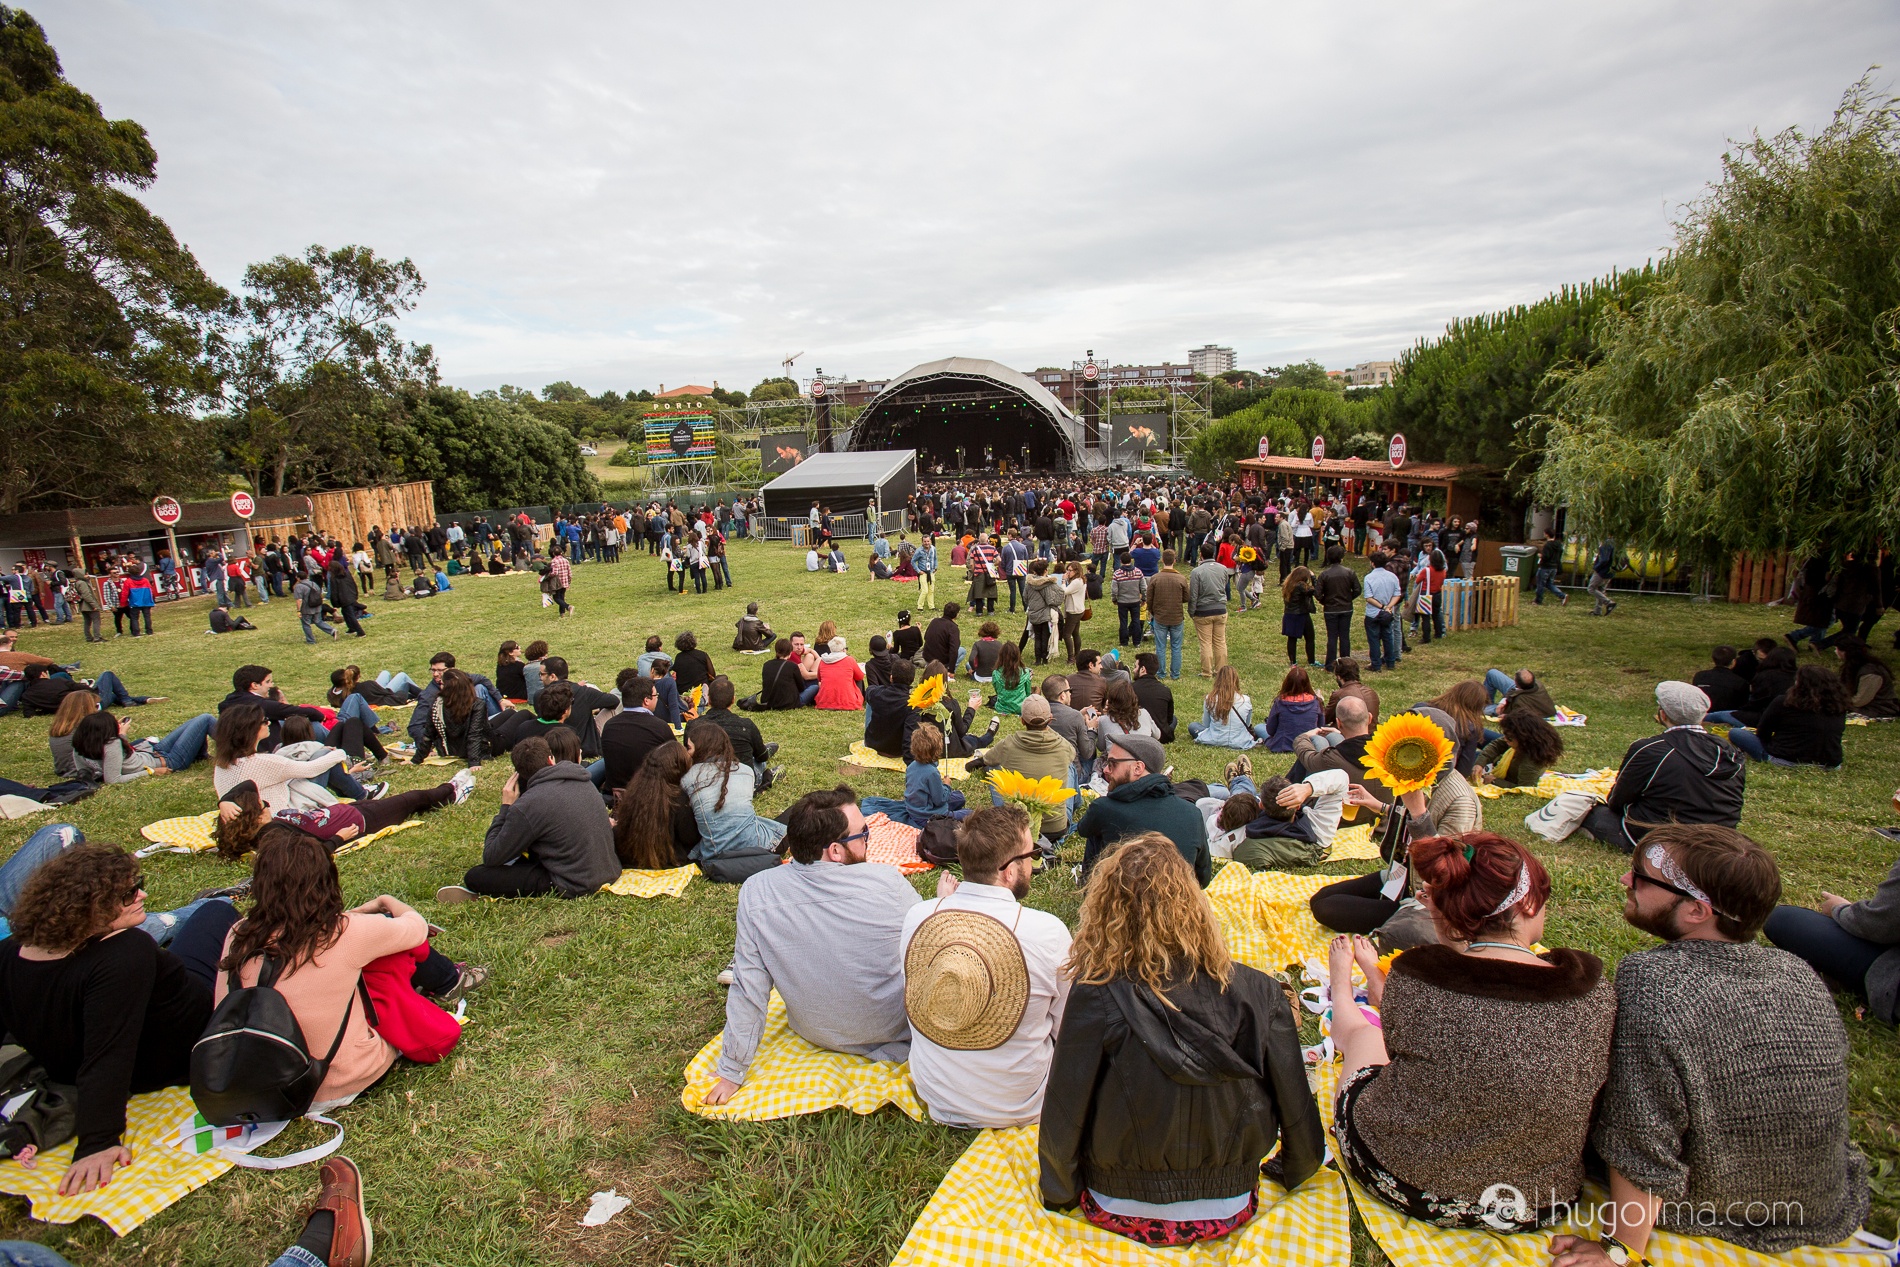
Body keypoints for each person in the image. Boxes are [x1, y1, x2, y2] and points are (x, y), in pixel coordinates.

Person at [1557, 824, 1870, 1262]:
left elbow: (1640, 1129)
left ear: (1696, 911)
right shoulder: (1798, 971)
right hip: (1820, 1202)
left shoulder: (1653, 981)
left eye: (1641, 877)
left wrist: (1621, 1249)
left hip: (1709, 1206)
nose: (1626, 881)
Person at [1039, 831, 1323, 1245]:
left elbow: (1066, 1104)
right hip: (1230, 1202)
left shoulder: (1096, 994)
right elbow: (1295, 1099)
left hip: (1117, 1202)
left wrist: (1059, 1193)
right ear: (1195, 905)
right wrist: (1298, 1168)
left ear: (1107, 911)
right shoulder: (1261, 992)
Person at [1330, 832, 1615, 1233]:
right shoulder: (1593, 991)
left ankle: (1340, 986)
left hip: (1402, 1177)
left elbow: (1398, 1048)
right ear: (1530, 903)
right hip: (1535, 1201)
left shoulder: (1417, 978)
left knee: (1363, 1037)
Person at [0, 843, 239, 1196]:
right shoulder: (123, 955)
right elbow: (108, 1052)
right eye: (129, 893)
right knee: (217, 912)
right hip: (179, 1044)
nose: (142, 894)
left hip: (76, 1063)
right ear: (93, 908)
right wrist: (97, 1142)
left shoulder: (9, 953)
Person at [219, 830, 475, 1107]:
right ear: (326, 880)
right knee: (386, 959)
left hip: (251, 1085)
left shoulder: (238, 932)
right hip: (330, 1083)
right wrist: (385, 902)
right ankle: (448, 982)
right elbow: (416, 927)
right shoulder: (343, 933)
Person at [701, 788, 921, 1105]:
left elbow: (749, 987)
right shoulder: (886, 883)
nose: (868, 839)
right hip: (892, 1028)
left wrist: (731, 1070)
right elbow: (932, 948)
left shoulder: (757, 891)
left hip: (814, 1029)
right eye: (864, 833)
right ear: (834, 850)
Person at [901, 805, 1070, 1128]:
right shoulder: (1046, 932)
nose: (1033, 864)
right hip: (1022, 1103)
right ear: (1008, 872)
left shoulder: (917, 917)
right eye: (1031, 855)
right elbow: (1070, 1027)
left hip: (936, 1094)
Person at [438, 736, 620, 901]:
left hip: (575, 882)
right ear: (551, 759)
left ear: (518, 774)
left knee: (476, 876)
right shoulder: (583, 780)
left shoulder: (529, 804)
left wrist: (505, 808)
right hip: (610, 869)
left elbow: (492, 856)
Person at [1582, 683, 1745, 852]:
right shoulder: (1729, 751)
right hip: (1721, 840)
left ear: (1663, 714)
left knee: (1589, 811)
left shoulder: (1651, 749)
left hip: (1661, 838)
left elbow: (1617, 801)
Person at [214, 770, 473, 861]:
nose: (268, 805)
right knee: (411, 799)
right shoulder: (274, 836)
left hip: (347, 810)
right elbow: (308, 855)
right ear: (255, 817)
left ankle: (448, 793)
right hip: (358, 822)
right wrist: (338, 839)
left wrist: (225, 801)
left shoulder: (264, 828)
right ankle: (452, 790)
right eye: (264, 804)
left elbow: (248, 784)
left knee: (407, 802)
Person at [1074, 733, 1210, 886]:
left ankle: (1089, 887)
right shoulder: (1192, 812)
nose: (1105, 770)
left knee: (1096, 829)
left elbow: (1083, 829)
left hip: (1115, 904)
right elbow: (1203, 879)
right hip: (1176, 905)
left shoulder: (1104, 808)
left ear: (1138, 768)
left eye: (1112, 763)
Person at [212, 704, 379, 812]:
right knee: (326, 756)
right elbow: (310, 769)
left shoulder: (222, 764)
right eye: (265, 721)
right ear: (251, 730)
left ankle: (358, 792)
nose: (269, 723)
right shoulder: (263, 762)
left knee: (324, 756)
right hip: (285, 809)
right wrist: (340, 754)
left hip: (257, 808)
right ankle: (360, 794)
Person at [966, 695, 1077, 840]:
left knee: (993, 769)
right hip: (1056, 828)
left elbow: (987, 760)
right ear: (1050, 719)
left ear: (1022, 720)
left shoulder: (1008, 744)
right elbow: (1072, 755)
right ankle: (1077, 801)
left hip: (1017, 826)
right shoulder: (1063, 746)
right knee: (1071, 768)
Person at [679, 721, 787, 868]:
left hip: (713, 856)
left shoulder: (686, 778)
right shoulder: (746, 771)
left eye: (689, 748)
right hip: (760, 848)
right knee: (804, 808)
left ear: (701, 748)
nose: (686, 752)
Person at [1722, 663, 1847, 768]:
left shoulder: (1784, 701)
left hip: (1786, 759)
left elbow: (1763, 731)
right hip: (1830, 764)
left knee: (1736, 733)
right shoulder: (1838, 706)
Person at [610, 745, 701, 869]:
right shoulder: (678, 798)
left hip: (631, 857)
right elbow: (689, 837)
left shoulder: (634, 790)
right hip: (667, 860)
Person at [861, 722, 968, 828]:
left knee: (959, 797)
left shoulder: (912, 766)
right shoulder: (932, 773)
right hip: (928, 816)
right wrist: (947, 785)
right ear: (937, 749)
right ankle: (951, 816)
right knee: (968, 813)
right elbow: (939, 800)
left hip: (914, 809)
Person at [69, 708, 218, 784]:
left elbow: (84, 771)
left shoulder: (79, 746)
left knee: (197, 722)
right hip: (170, 760)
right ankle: (237, 749)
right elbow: (113, 779)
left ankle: (200, 755)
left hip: (155, 751)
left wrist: (122, 736)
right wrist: (151, 772)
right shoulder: (111, 744)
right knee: (205, 719)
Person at [599, 676, 677, 794]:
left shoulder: (609, 725)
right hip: (648, 794)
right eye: (656, 696)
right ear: (646, 700)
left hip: (614, 793)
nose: (657, 699)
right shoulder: (659, 726)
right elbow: (677, 760)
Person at [409, 667, 488, 769]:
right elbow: (475, 734)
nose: (440, 686)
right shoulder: (477, 704)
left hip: (447, 749)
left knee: (506, 716)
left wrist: (416, 759)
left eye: (442, 684)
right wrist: (474, 763)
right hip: (481, 747)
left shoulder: (437, 704)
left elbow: (428, 735)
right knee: (510, 715)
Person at [1706, 644, 1795, 728]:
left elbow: (1755, 703)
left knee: (1719, 715)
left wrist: (1742, 710)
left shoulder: (1765, 676)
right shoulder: (1796, 677)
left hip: (1763, 719)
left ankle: (1701, 717)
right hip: (1789, 719)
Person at [1477, 709, 1565, 788]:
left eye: (1509, 737)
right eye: (1505, 735)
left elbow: (1524, 788)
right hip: (1496, 761)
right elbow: (1497, 745)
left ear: (1524, 739)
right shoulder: (1518, 742)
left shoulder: (1531, 762)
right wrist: (1479, 764)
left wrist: (1494, 781)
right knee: (1472, 730)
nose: (1505, 739)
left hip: (1496, 766)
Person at [1187, 664, 1261, 749]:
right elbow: (1247, 724)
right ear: (1236, 680)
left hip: (1214, 739)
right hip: (1239, 741)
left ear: (1217, 680)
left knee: (1193, 726)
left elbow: (1206, 724)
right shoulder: (1245, 700)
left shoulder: (1210, 698)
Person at [1146, 549, 1189, 681]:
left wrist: (1152, 611)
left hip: (1160, 617)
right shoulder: (1181, 578)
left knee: (1161, 647)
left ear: (1162, 560)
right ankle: (1175, 674)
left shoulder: (1155, 578)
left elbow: (1149, 599)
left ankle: (1161, 673)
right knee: (1176, 647)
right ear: (1175, 561)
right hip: (1176, 617)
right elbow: (1186, 597)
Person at [1316, 545, 1361, 670]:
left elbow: (1318, 593)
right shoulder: (1349, 572)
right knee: (1344, 635)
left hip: (1331, 609)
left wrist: (1325, 601)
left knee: (1332, 637)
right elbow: (1357, 589)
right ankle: (1346, 663)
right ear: (1341, 557)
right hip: (1346, 608)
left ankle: (1330, 664)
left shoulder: (1325, 574)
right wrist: (1348, 598)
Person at [1188, 543, 1229, 677]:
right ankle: (1221, 670)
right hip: (1220, 609)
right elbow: (1224, 584)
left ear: (1201, 554)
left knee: (1205, 643)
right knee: (1220, 641)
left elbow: (1193, 594)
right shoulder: (1223, 569)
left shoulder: (1196, 572)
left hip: (1203, 611)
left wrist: (1191, 611)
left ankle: (1207, 672)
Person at [1362, 551, 1404, 672]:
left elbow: (1369, 597)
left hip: (1373, 612)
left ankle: (1376, 664)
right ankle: (1390, 662)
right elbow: (1397, 594)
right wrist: (1388, 607)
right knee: (1388, 636)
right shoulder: (1392, 577)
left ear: (1373, 563)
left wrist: (1381, 606)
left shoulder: (1369, 577)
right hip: (1388, 612)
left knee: (1374, 639)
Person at [1837, 636, 1899, 717]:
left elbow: (1860, 701)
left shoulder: (1871, 672)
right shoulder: (1853, 666)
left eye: (1837, 649)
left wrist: (1837, 703)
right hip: (1864, 706)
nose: (1836, 651)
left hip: (1879, 708)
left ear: (1845, 652)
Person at [1128, 652, 1176, 744]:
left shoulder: (1129, 689)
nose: (1134, 670)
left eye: (1135, 667)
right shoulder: (1165, 690)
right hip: (1162, 736)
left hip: (1137, 732)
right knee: (1174, 719)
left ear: (1142, 669)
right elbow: (1169, 719)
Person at [1323, 658, 1380, 728]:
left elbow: (1324, 719)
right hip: (1373, 735)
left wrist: (1319, 702)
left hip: (1349, 735)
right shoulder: (1372, 692)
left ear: (1339, 677)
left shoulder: (1339, 695)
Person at [1691, 645, 1748, 714]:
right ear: (1733, 662)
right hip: (1727, 715)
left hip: (1702, 712)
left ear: (1713, 659)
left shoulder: (1699, 676)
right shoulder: (1740, 682)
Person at [814, 636, 866, 710]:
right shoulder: (849, 660)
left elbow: (819, 678)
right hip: (848, 702)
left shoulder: (823, 661)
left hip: (825, 702)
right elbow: (860, 677)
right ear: (843, 649)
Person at [1280, 564, 1317, 667]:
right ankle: (1311, 660)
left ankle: (1293, 661)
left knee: (1292, 639)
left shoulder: (1288, 584)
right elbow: (1314, 590)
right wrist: (1314, 578)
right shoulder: (1300, 585)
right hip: (1301, 614)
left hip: (1290, 614)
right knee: (1310, 637)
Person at [988, 641, 1032, 715]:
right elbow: (1028, 693)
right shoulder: (1025, 672)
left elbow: (998, 691)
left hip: (1002, 708)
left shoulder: (996, 673)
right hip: (1021, 708)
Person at [923, 603, 963, 671]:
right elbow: (954, 650)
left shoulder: (934, 621)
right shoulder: (953, 628)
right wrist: (951, 670)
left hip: (928, 658)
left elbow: (926, 637)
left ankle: (931, 666)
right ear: (956, 614)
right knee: (962, 650)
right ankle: (945, 670)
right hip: (942, 660)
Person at [1532, 533, 1566, 606]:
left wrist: (1541, 555)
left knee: (1540, 583)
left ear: (1547, 535)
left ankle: (1538, 600)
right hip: (1554, 567)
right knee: (1549, 583)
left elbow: (1546, 556)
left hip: (1545, 567)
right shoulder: (1559, 545)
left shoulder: (1548, 545)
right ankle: (1562, 595)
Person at [1587, 537, 1617, 616]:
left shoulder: (1607, 543)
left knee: (1591, 588)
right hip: (1611, 571)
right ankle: (1597, 611)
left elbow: (1604, 559)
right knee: (1601, 590)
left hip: (1602, 572)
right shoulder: (1617, 543)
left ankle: (1609, 603)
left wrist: (1596, 567)